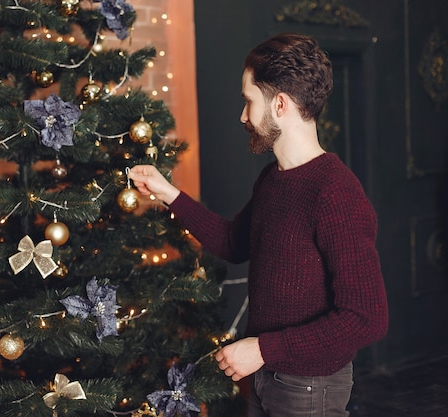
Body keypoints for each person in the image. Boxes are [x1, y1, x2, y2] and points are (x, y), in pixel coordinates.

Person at [128, 32, 389, 417]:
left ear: (280, 104)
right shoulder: (273, 179)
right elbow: (235, 242)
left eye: (249, 102)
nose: (243, 116)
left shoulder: (335, 192)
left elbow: (366, 319)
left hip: (309, 388)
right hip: (266, 377)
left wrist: (262, 348)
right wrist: (168, 193)